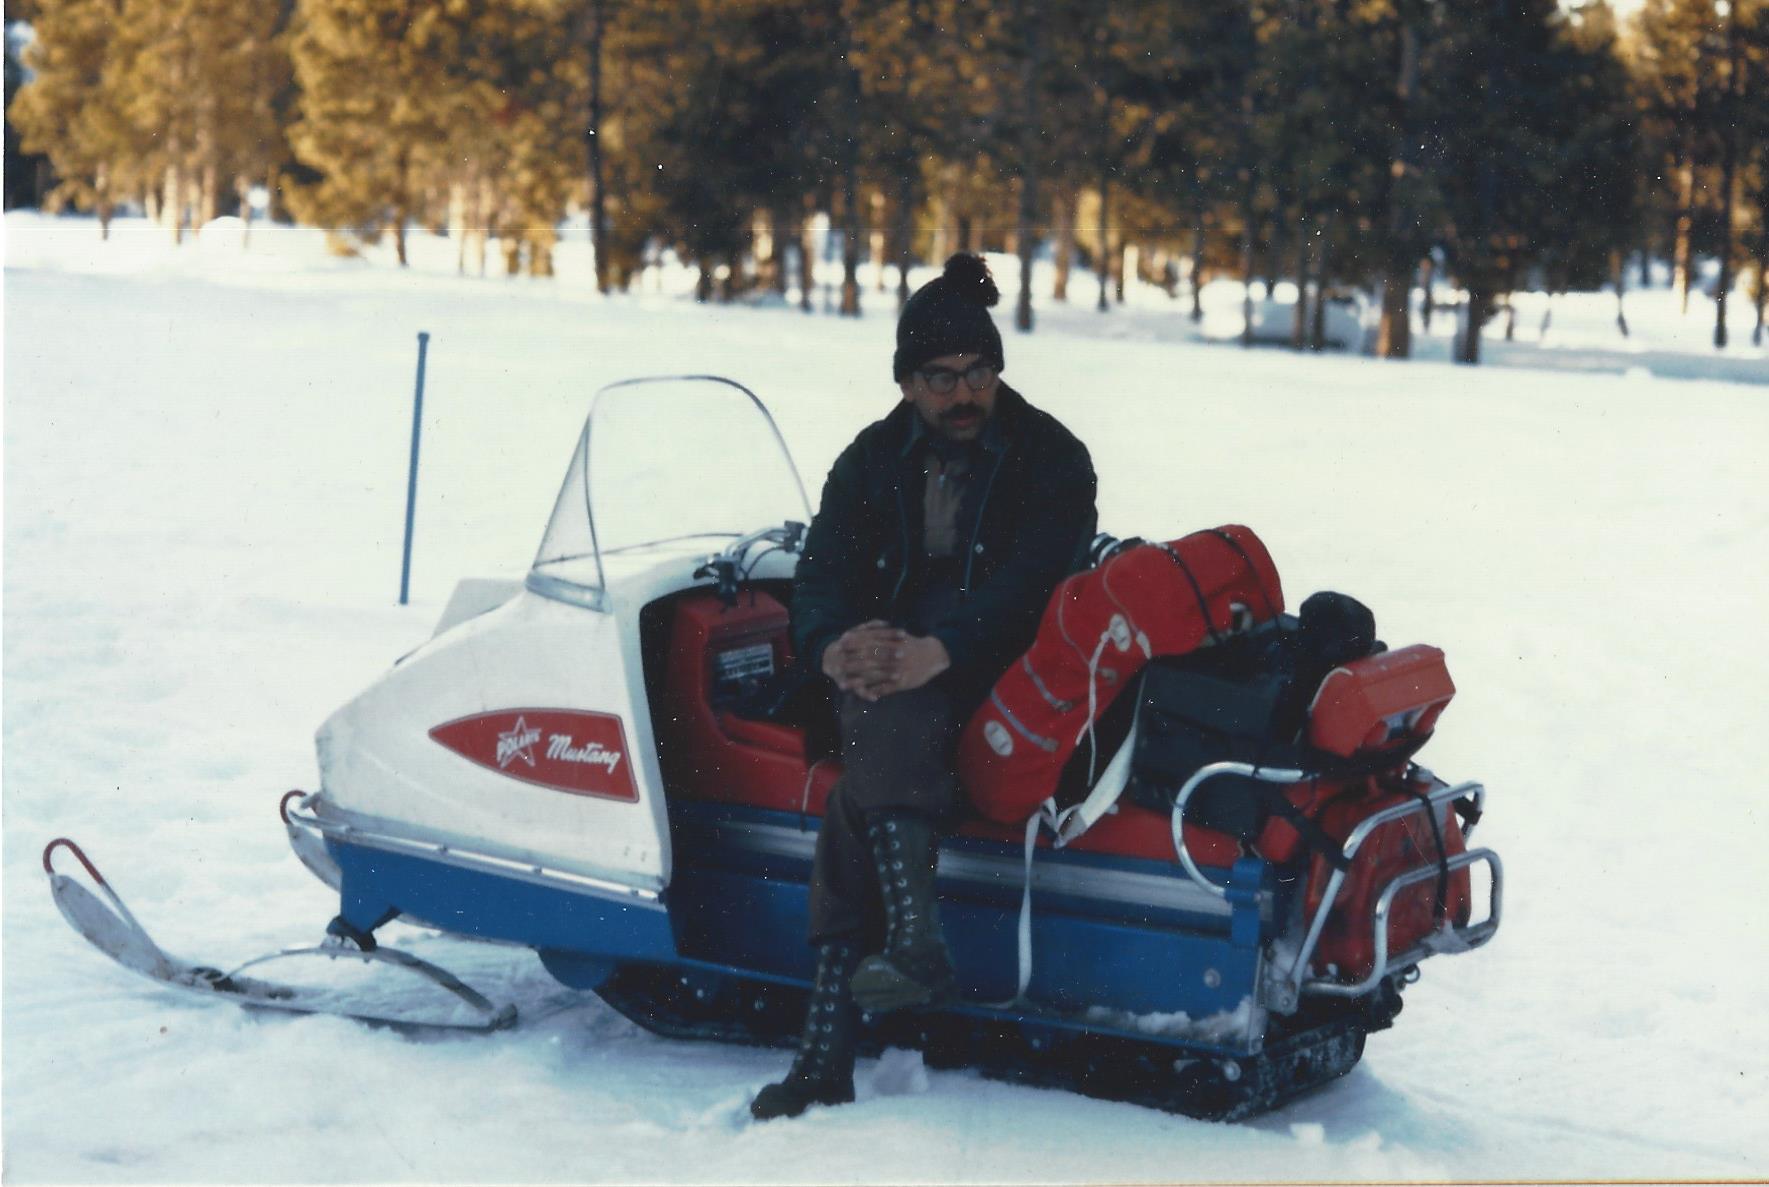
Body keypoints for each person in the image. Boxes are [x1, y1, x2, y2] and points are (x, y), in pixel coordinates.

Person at [750, 253, 1098, 1121]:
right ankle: (908, 945)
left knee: (862, 776)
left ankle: (833, 1045)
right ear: (906, 384)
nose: (962, 394)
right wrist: (831, 646)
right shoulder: (869, 459)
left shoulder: (1051, 457)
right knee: (878, 697)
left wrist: (941, 650)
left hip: (1008, 665)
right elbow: (821, 573)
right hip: (887, 668)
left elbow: (1030, 584)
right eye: (939, 378)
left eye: (977, 372)